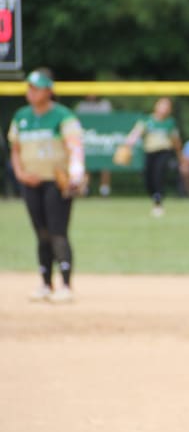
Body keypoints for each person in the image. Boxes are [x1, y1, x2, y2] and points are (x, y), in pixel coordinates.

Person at [8, 68, 86, 303]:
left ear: (49, 91)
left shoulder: (63, 116)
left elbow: (75, 146)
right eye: (30, 88)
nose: (31, 92)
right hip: (31, 182)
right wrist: (21, 174)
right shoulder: (22, 116)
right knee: (41, 233)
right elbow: (15, 150)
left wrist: (75, 173)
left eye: (37, 88)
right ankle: (45, 283)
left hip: (56, 183)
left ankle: (65, 285)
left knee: (57, 232)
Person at [122, 97, 182, 217]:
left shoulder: (170, 122)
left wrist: (180, 155)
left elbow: (175, 140)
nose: (164, 108)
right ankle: (155, 197)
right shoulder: (146, 120)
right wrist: (128, 145)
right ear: (156, 106)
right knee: (148, 179)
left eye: (167, 106)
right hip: (149, 152)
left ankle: (158, 202)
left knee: (158, 175)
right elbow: (135, 133)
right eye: (162, 105)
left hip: (164, 151)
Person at [74, 94, 114, 196]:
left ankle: (104, 190)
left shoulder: (105, 105)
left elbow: (110, 121)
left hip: (102, 139)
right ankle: (85, 189)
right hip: (88, 138)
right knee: (87, 163)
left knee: (105, 163)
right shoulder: (82, 106)